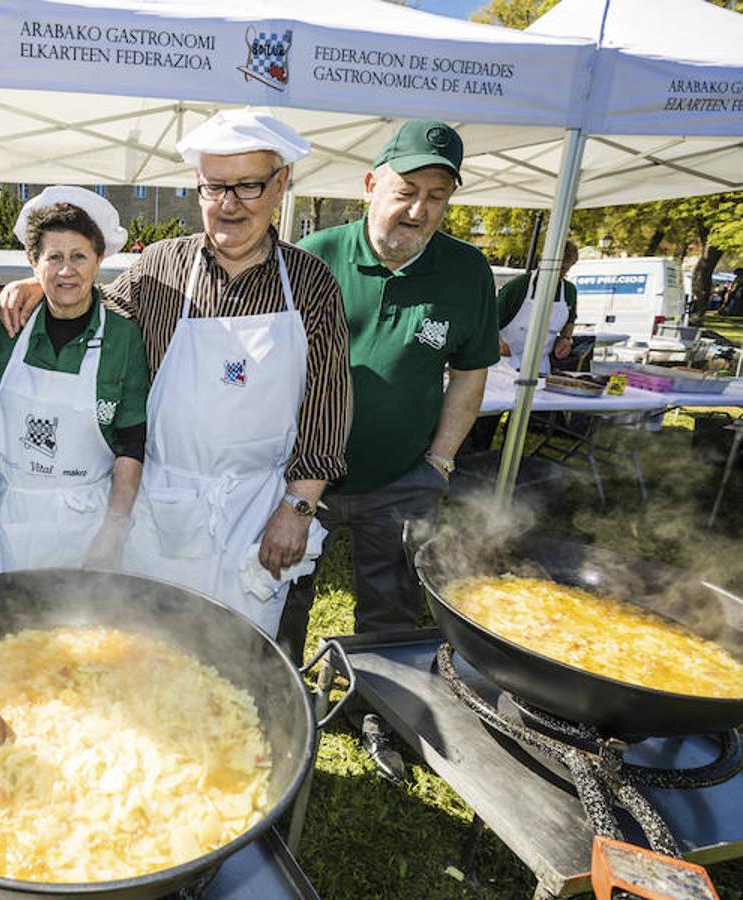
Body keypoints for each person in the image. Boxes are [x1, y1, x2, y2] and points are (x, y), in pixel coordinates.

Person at [0, 109, 352, 638]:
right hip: (163, 507)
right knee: (149, 648)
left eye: (248, 186)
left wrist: (298, 507)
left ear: (281, 185)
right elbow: (97, 314)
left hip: (257, 511)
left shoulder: (310, 282)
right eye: (215, 187)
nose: (229, 204)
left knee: (242, 651)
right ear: (198, 186)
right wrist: (45, 290)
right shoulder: (160, 266)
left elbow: (328, 406)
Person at [283, 120, 499, 781]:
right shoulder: (312, 256)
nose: (418, 209)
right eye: (407, 189)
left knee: (392, 604)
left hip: (402, 478)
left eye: (437, 196)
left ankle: (375, 711)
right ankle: (279, 702)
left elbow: (469, 373)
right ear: (372, 183)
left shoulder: (466, 271)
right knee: (284, 592)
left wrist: (439, 460)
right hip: (300, 478)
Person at [0, 186, 149, 572]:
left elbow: (131, 445)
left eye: (79, 257)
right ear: (33, 262)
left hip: (86, 530)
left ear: (99, 260)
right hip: (7, 523)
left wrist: (114, 529)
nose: (66, 271)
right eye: (54, 257)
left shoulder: (122, 338)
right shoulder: (6, 329)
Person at [496, 240, 580, 373]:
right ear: (543, 263)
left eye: (564, 269)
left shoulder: (569, 291)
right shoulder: (519, 285)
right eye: (556, 268)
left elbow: (570, 320)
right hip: (505, 362)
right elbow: (489, 318)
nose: (559, 273)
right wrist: (496, 341)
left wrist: (566, 338)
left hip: (540, 365)